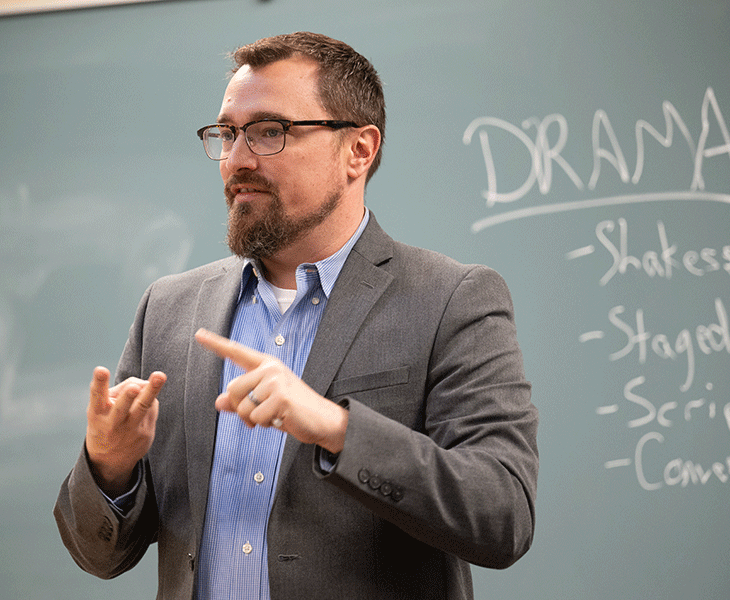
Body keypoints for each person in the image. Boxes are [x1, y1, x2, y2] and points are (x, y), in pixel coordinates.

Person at [54, 31, 538, 600]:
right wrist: (109, 467)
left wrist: (336, 428)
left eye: (269, 132)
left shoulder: (452, 300)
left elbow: (502, 515)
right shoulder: (169, 309)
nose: (236, 160)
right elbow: (99, 555)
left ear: (358, 149)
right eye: (228, 134)